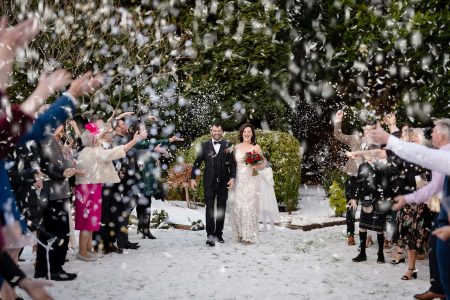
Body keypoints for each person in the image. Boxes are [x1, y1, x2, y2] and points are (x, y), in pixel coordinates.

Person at [369, 122, 450, 300]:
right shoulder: (440, 154)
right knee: (435, 248)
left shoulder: (443, 156)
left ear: (442, 136)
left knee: (439, 250)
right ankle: (438, 287)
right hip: (438, 207)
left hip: (441, 208)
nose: (431, 135)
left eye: (434, 132)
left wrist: (389, 137)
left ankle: (441, 288)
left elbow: (433, 184)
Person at [74, 124, 147, 261]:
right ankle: (82, 252)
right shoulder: (94, 151)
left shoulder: (89, 150)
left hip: (90, 187)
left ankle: (88, 249)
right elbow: (117, 152)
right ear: (94, 140)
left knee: (91, 222)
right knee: (88, 222)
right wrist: (135, 140)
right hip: (88, 188)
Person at [191, 122, 237, 246]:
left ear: (222, 132)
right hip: (209, 182)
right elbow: (197, 163)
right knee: (210, 209)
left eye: (219, 131)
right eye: (214, 131)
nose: (216, 133)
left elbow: (233, 163)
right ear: (211, 131)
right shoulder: (204, 145)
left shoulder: (229, 145)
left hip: (224, 182)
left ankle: (219, 234)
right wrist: (193, 178)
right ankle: (210, 235)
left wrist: (233, 177)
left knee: (221, 208)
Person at [333, 110, 368, 246]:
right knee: (351, 208)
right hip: (353, 177)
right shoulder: (354, 139)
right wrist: (338, 120)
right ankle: (350, 235)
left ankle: (367, 236)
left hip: (366, 180)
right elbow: (337, 135)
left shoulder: (375, 145)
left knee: (368, 207)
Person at [228, 123, 265, 244]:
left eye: (249, 132)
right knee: (237, 206)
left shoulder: (256, 147)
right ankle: (239, 233)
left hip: (251, 181)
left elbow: (263, 163)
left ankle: (248, 235)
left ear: (252, 134)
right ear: (242, 133)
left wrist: (257, 165)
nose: (247, 134)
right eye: (245, 132)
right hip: (238, 180)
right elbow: (233, 164)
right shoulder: (236, 147)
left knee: (249, 207)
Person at [259, 152, 278, 232]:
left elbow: (269, 180)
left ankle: (272, 226)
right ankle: (265, 227)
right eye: (262, 159)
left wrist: (262, 173)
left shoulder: (269, 169)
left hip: (267, 190)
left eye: (264, 159)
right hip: (261, 190)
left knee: (269, 208)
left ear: (267, 160)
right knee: (262, 208)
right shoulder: (258, 169)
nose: (263, 161)